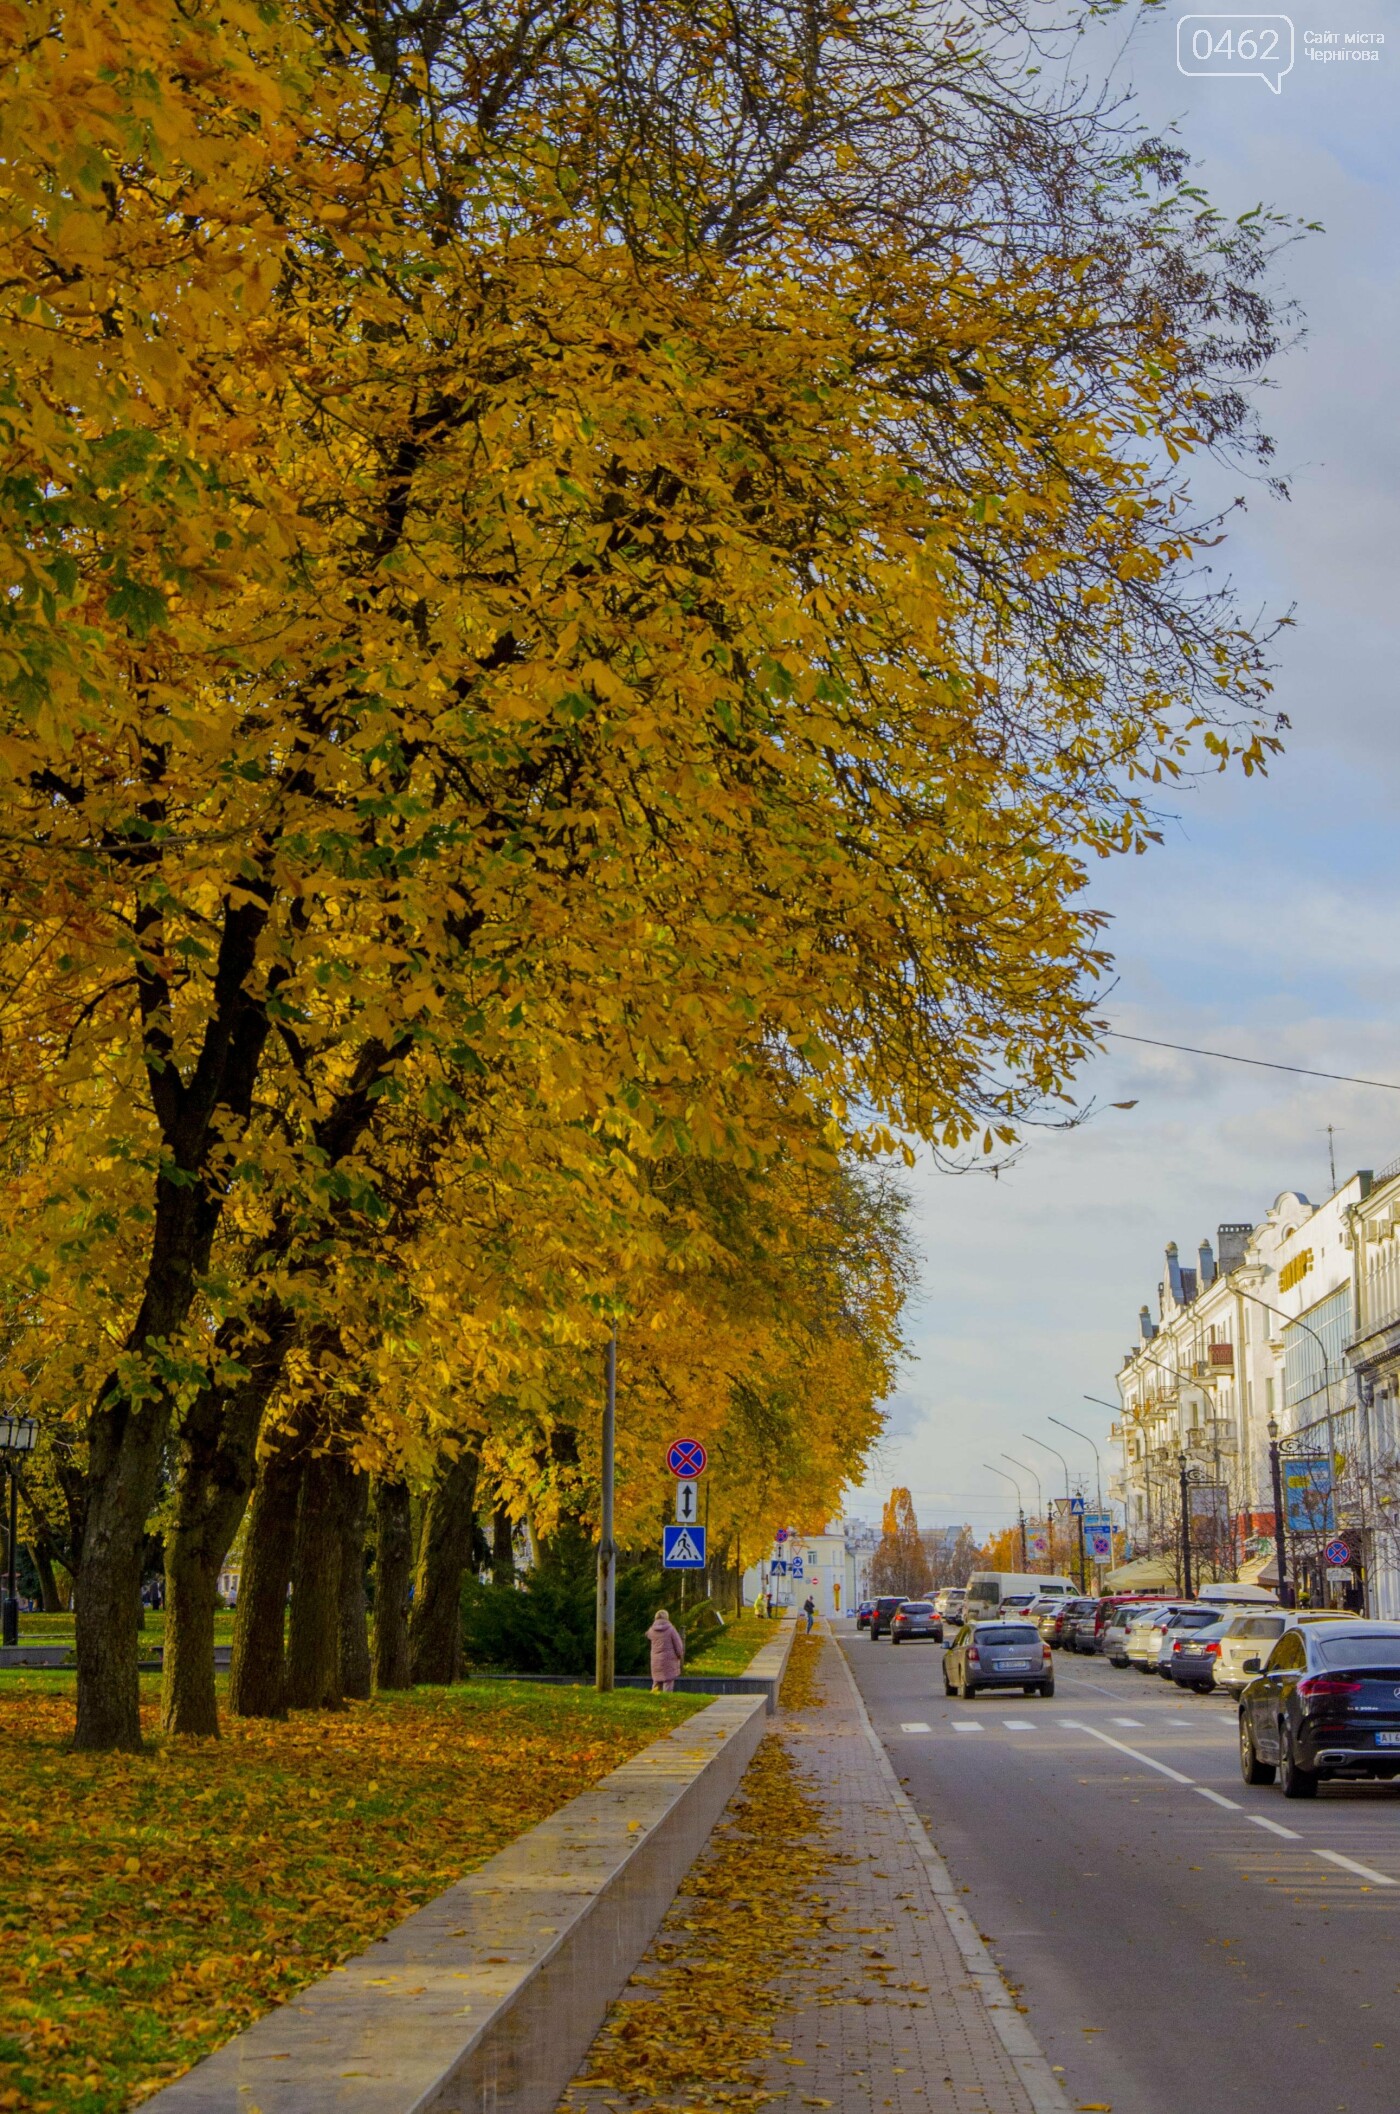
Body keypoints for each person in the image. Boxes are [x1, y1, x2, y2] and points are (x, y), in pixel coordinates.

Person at [647, 1608, 686, 1692]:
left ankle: (654, 1697)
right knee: (668, 1681)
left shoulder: (651, 1630)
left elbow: (648, 1637)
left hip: (655, 1659)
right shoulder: (671, 1629)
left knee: (656, 1681)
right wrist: (680, 1655)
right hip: (669, 1659)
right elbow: (678, 1644)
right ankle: (667, 1698)